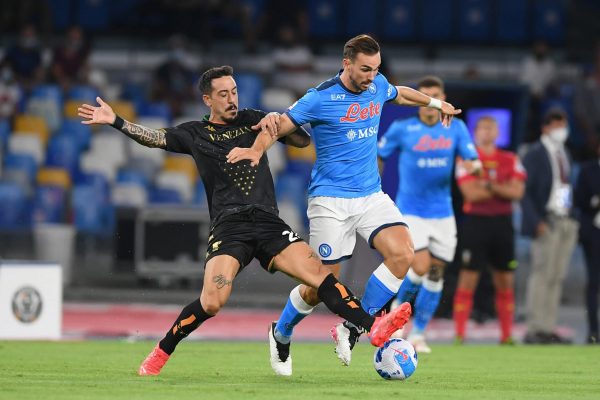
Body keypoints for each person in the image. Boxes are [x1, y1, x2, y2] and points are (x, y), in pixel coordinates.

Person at [77, 65, 411, 376]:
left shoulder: (254, 119)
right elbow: (155, 138)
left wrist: (276, 124)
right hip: (229, 228)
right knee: (212, 302)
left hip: (268, 224)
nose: (232, 98)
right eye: (223, 94)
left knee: (320, 278)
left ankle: (372, 327)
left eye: (234, 91)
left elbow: (302, 140)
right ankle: (162, 351)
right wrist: (116, 121)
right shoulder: (195, 133)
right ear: (207, 99)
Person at [227, 34, 462, 375]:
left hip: (370, 196)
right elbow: (279, 126)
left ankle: (352, 327)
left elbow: (401, 93)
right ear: (347, 63)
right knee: (320, 287)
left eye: (376, 69)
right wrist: (256, 149)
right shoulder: (319, 98)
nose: (371, 76)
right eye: (365, 69)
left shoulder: (377, 85)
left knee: (403, 254)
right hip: (330, 202)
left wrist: (437, 105)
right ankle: (281, 331)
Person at [377, 76, 480, 354]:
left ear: (443, 97)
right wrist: (374, 184)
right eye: (424, 97)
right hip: (411, 211)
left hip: (443, 213)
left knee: (435, 273)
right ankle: (396, 317)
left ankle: (419, 333)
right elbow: (380, 154)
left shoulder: (456, 128)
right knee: (420, 266)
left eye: (435, 95)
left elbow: (472, 161)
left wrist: (474, 169)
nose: (429, 104)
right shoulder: (402, 128)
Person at [453, 116, 526, 345]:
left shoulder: (510, 158)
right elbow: (471, 194)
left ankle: (506, 335)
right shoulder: (467, 158)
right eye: (483, 128)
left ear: (497, 132)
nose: (487, 132)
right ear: (476, 132)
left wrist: (487, 184)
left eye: (491, 128)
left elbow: (518, 193)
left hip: (502, 224)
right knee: (468, 278)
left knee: (505, 279)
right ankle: (460, 334)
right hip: (476, 223)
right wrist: (501, 188)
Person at [521, 108, 578, 344]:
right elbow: (525, 191)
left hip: (563, 218)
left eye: (563, 125)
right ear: (545, 127)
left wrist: (569, 214)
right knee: (542, 274)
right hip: (546, 220)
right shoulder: (535, 153)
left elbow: (563, 186)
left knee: (556, 276)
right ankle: (535, 328)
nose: (561, 131)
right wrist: (536, 221)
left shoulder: (563, 152)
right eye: (556, 126)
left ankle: (548, 326)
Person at [574, 142, 600, 344]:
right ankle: (593, 331)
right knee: (594, 282)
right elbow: (578, 201)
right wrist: (594, 201)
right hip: (594, 233)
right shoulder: (588, 170)